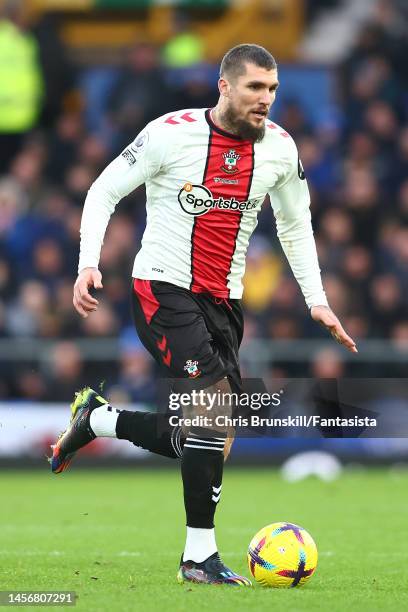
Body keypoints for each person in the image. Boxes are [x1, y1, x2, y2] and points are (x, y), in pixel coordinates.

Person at [50, 44, 357, 586]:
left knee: (206, 435)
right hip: (162, 289)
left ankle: (96, 420)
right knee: (214, 412)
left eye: (273, 90)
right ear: (224, 86)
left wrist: (316, 299)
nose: (266, 100)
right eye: (255, 88)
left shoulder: (282, 150)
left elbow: (295, 226)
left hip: (224, 303)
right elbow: (103, 191)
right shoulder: (170, 132)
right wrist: (87, 264)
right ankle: (198, 558)